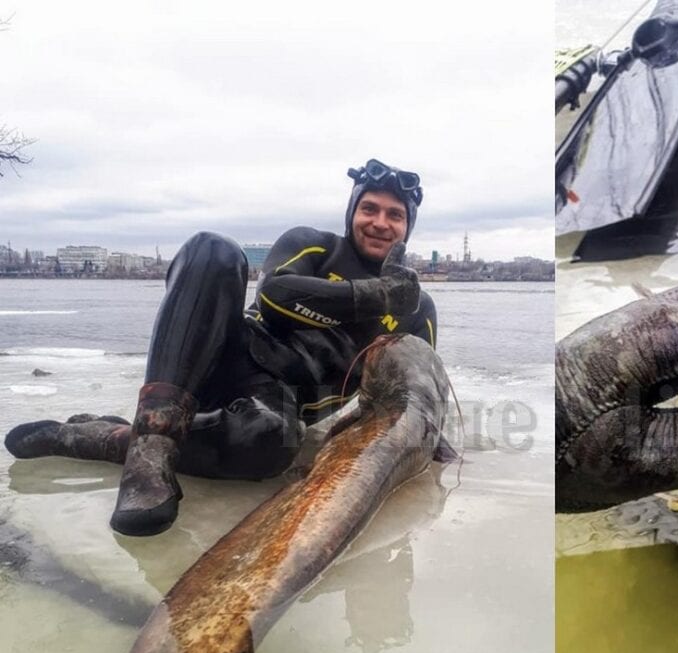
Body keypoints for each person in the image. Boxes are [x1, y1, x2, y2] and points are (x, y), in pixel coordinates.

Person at [4, 158, 437, 537]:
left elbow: (418, 390)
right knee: (213, 249)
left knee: (272, 442)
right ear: (353, 212)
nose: (380, 222)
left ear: (407, 227)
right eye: (369, 209)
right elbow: (274, 297)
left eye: (395, 215)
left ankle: (110, 438)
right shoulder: (317, 246)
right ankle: (153, 446)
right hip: (221, 356)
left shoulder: (419, 310)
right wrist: (376, 295)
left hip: (277, 403)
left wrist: (429, 442)